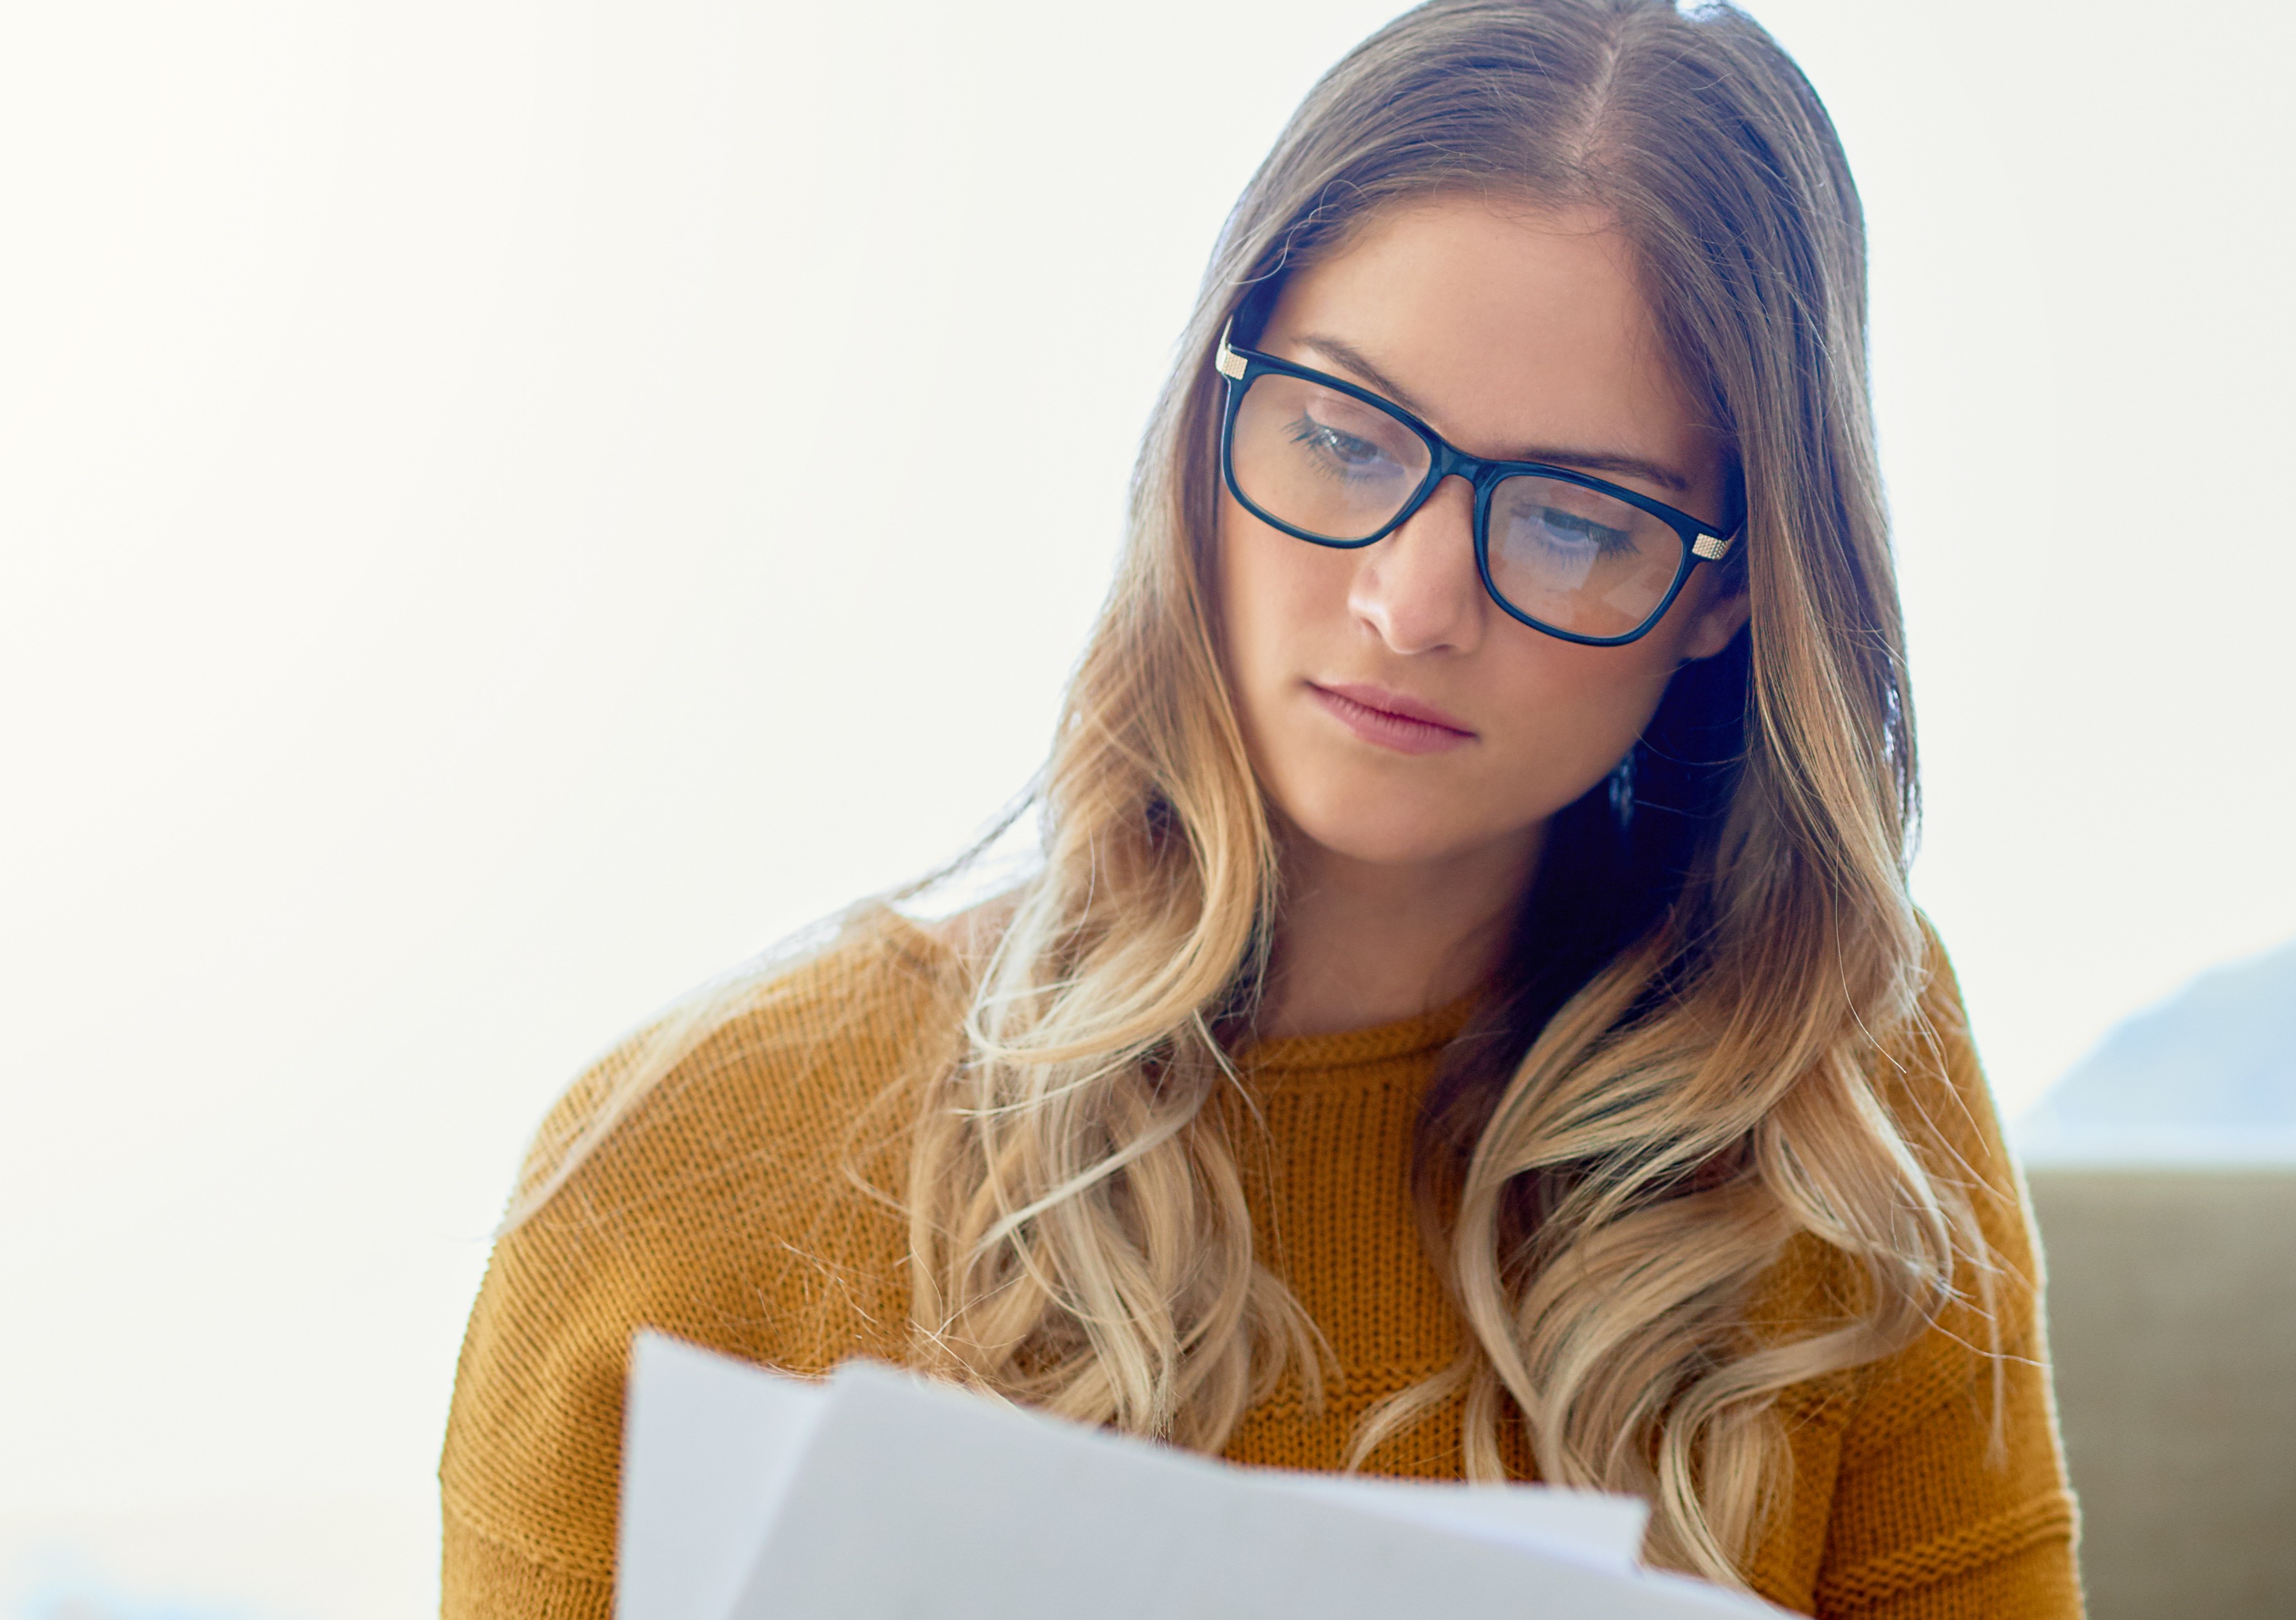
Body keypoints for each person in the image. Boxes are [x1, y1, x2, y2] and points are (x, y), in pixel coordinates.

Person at [438, 1, 2079, 1615]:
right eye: (1346, 438)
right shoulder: (685, 1174)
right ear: (1213, 414)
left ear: (1729, 596)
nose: (1414, 601)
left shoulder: (1834, 1094)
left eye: (1579, 521)